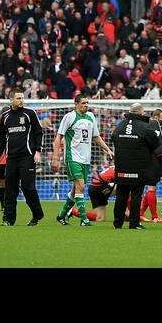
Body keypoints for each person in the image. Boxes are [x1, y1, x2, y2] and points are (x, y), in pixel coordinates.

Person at [51, 93, 114, 227]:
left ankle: (62, 215)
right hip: (72, 157)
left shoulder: (91, 117)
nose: (86, 105)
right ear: (76, 104)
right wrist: (56, 158)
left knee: (76, 189)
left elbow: (96, 137)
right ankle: (84, 219)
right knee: (81, 185)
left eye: (87, 103)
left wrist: (107, 150)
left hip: (86, 159)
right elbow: (58, 138)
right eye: (83, 103)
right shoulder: (69, 117)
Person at [0, 89, 46, 226]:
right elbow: (1, 137)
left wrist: (38, 151)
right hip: (11, 158)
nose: (21, 101)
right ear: (11, 100)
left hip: (27, 157)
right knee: (10, 189)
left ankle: (37, 215)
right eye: (18, 98)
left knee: (28, 188)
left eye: (22, 98)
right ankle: (8, 220)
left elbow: (39, 132)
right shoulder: (5, 116)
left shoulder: (30, 114)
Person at [110, 103, 162, 229]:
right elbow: (155, 142)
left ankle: (117, 223)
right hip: (138, 166)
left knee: (121, 195)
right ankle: (134, 223)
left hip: (121, 167)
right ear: (141, 113)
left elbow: (113, 138)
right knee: (136, 194)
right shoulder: (144, 127)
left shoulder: (120, 125)